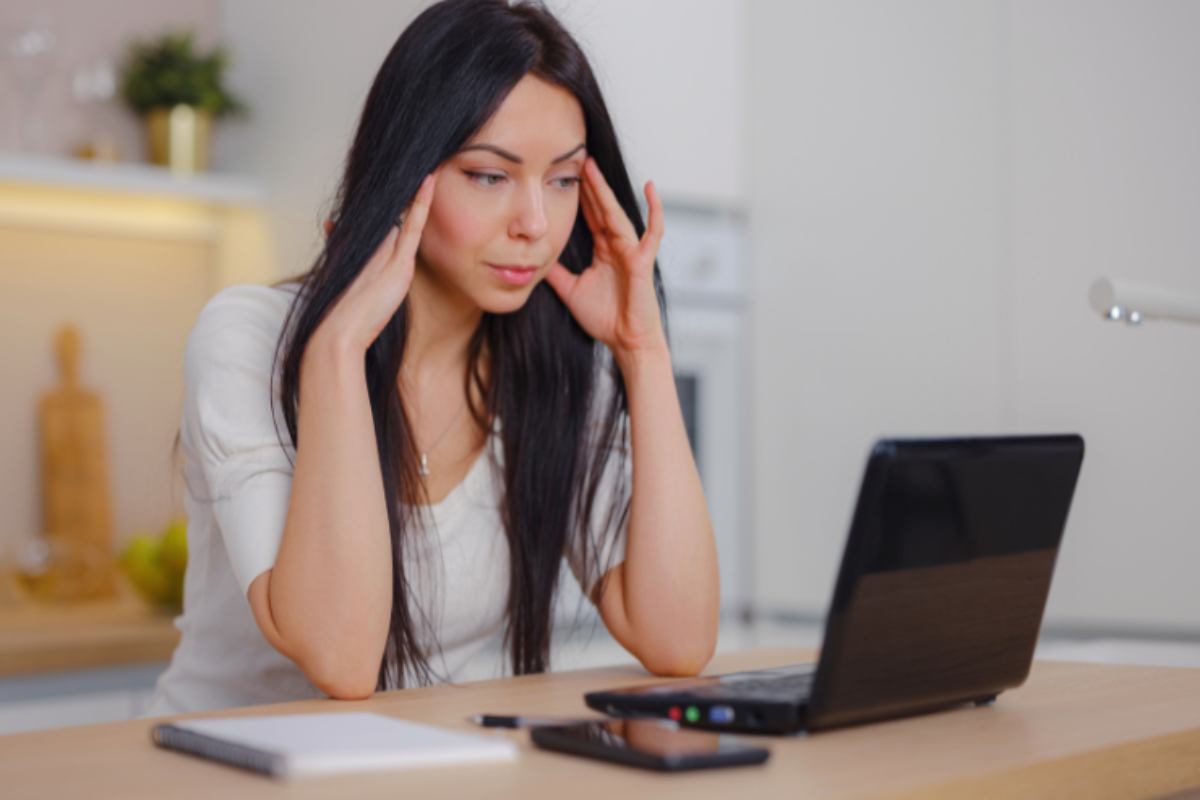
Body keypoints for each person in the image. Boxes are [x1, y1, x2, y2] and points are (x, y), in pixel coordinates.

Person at [147, 0, 718, 715]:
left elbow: (680, 638)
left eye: (563, 179)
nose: (535, 225)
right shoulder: (248, 338)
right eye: (489, 176)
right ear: (405, 168)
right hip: (213, 772)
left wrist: (644, 350)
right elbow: (343, 659)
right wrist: (336, 352)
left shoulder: (556, 361)